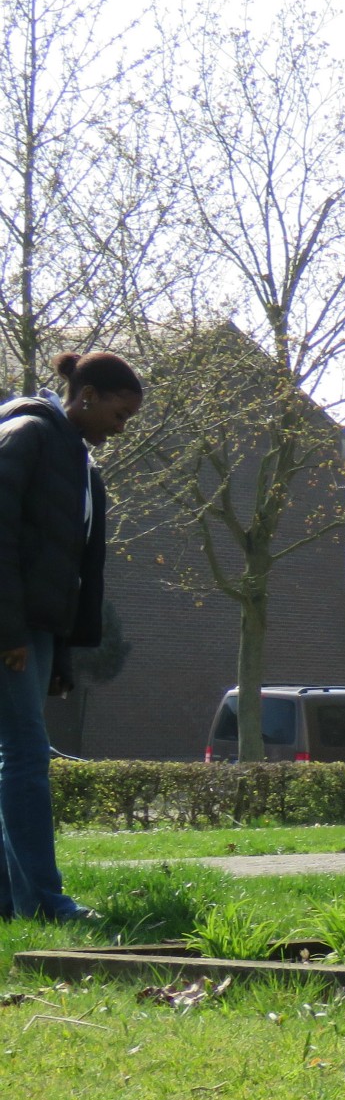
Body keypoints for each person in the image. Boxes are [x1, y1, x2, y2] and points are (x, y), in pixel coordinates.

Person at [0, 352, 144, 922]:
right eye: (120, 413)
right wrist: (9, 630)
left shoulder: (80, 465)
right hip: (9, 629)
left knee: (15, 757)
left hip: (31, 632)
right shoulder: (28, 435)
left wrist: (57, 654)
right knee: (27, 755)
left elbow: (67, 569)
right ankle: (44, 903)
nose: (121, 427)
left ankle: (12, 901)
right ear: (87, 396)